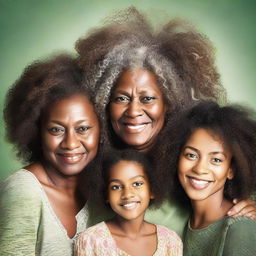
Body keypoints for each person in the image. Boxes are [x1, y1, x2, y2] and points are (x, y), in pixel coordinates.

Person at [75, 7, 256, 235]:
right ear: (104, 103)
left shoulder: (191, 161)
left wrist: (248, 211)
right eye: (121, 98)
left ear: (168, 103)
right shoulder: (88, 160)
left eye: (148, 98)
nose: (133, 111)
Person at [0, 54, 100, 255]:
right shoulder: (23, 191)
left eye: (82, 129)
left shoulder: (100, 191)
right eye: (56, 130)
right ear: (36, 131)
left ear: (102, 130)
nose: (70, 143)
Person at [168, 101, 256, 255]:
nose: (200, 169)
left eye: (216, 159)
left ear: (231, 170)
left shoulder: (239, 228)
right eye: (191, 155)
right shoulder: (188, 223)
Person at [75, 149, 183, 256]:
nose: (127, 194)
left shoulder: (170, 241)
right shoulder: (90, 241)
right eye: (116, 187)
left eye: (137, 184)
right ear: (106, 194)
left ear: (152, 190)